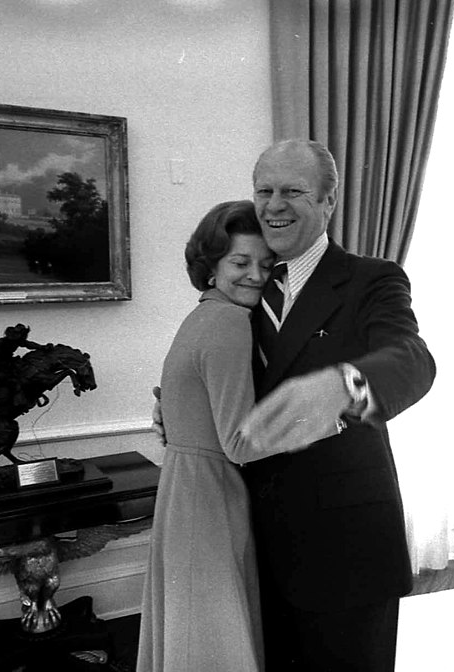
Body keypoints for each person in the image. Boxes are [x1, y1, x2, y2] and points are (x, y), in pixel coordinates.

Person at [154, 139, 435, 671]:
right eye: (264, 191)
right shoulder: (243, 291)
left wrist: (345, 385)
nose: (274, 205)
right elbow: (220, 380)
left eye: (293, 192)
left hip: (346, 553)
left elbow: (413, 359)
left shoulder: (371, 279)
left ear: (329, 201)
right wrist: (179, 406)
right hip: (251, 547)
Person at [136, 200, 338, 672]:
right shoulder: (230, 322)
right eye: (240, 262)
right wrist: (328, 414)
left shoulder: (201, 315)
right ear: (210, 267)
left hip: (185, 488)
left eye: (266, 265)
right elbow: (239, 442)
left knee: (193, 632)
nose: (255, 275)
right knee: (213, 638)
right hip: (210, 495)